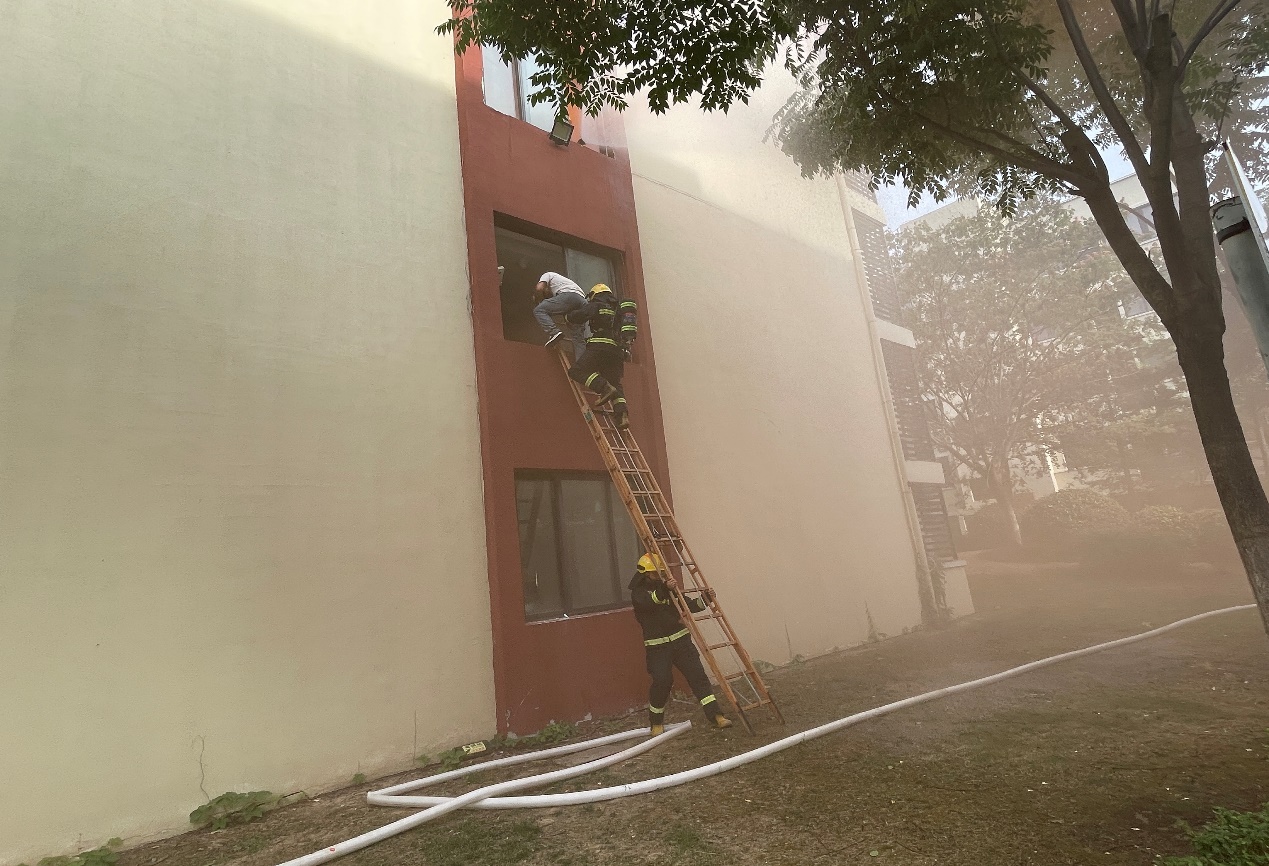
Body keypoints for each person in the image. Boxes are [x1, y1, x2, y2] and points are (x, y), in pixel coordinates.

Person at [629, 553, 733, 734]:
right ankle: (656, 723)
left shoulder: (666, 588)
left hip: (681, 641)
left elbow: (688, 606)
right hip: (658, 647)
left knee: (698, 677)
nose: (658, 576)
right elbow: (651, 602)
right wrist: (665, 588)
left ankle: (716, 716)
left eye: (660, 573)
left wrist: (705, 598)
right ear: (645, 574)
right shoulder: (639, 594)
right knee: (662, 681)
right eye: (655, 573)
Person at [565, 283, 630, 428]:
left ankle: (604, 387)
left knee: (577, 371)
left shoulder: (597, 304)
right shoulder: (619, 309)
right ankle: (622, 415)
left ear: (595, 294)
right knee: (615, 383)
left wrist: (568, 316)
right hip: (617, 351)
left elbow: (581, 315)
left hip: (600, 346)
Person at [533, 271, 587, 359]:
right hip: (582, 302)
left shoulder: (547, 275)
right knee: (578, 338)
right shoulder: (564, 283)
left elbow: (539, 288)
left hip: (570, 296)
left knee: (539, 310)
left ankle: (554, 332)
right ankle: (582, 363)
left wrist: (537, 298)